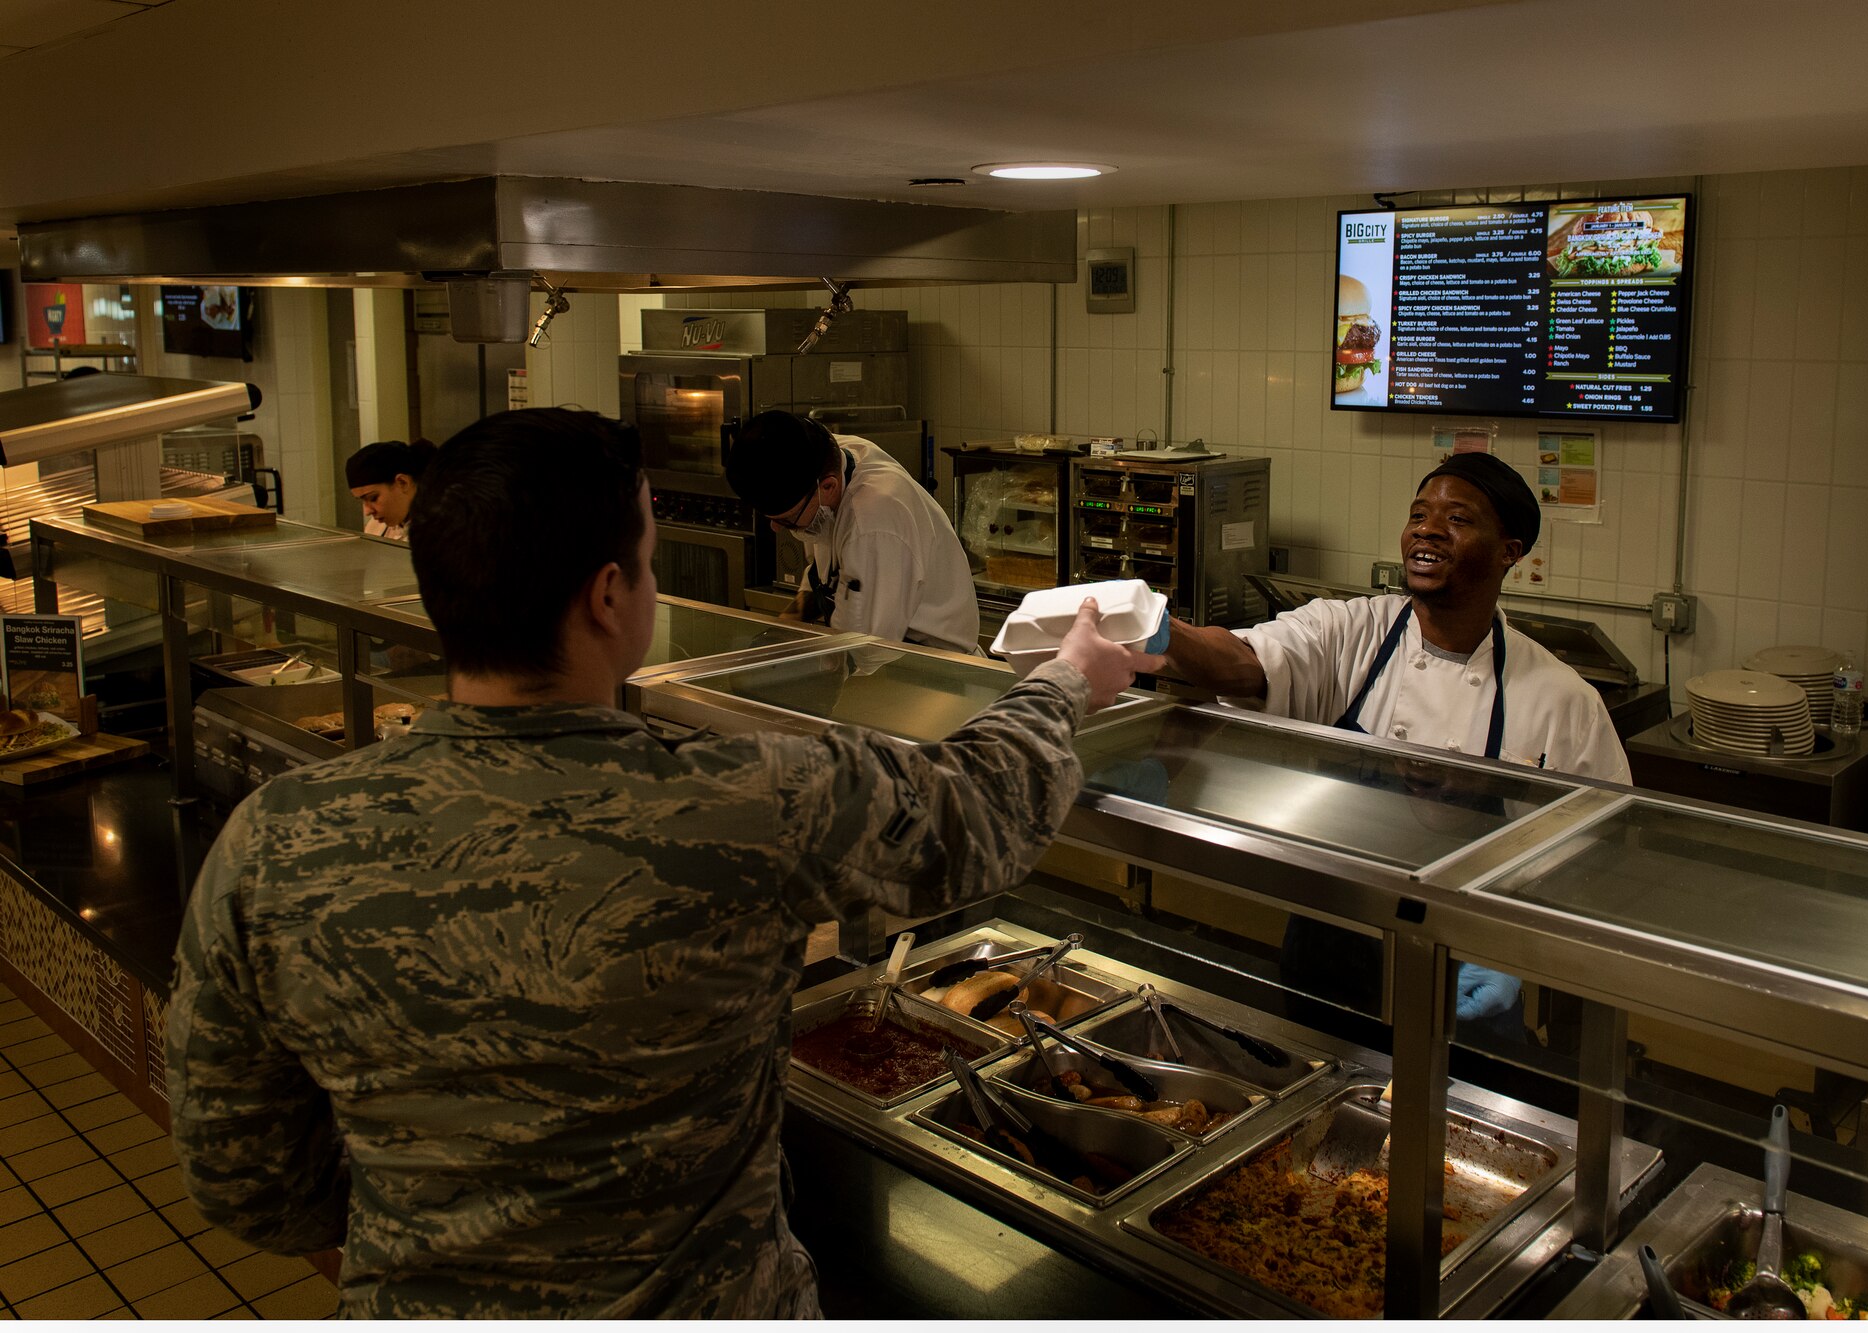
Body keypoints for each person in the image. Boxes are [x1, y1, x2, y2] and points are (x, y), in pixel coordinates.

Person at [166, 407, 1156, 1319]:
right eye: (646, 560)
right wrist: (1066, 680)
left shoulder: (275, 837)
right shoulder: (747, 800)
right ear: (609, 596)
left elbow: (245, 1178)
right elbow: (983, 808)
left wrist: (437, 1216)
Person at [1161, 451, 1630, 1026]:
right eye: (1418, 514)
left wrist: (1518, 956)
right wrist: (1160, 628)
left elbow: (1597, 860)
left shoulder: (1560, 699)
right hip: (1330, 947)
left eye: (1457, 518)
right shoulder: (1349, 631)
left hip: (1468, 968)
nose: (1427, 530)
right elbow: (1243, 661)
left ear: (1511, 552)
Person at [723, 410, 980, 655]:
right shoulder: (826, 455)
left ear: (828, 485)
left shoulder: (874, 522)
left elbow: (864, 651)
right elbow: (820, 579)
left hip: (931, 672)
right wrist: (779, 632)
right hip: (881, 659)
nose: (776, 528)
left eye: (788, 521)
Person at [345, 437, 435, 541]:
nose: (367, 511)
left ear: (402, 482)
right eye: (362, 500)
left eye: (373, 498)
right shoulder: (376, 527)